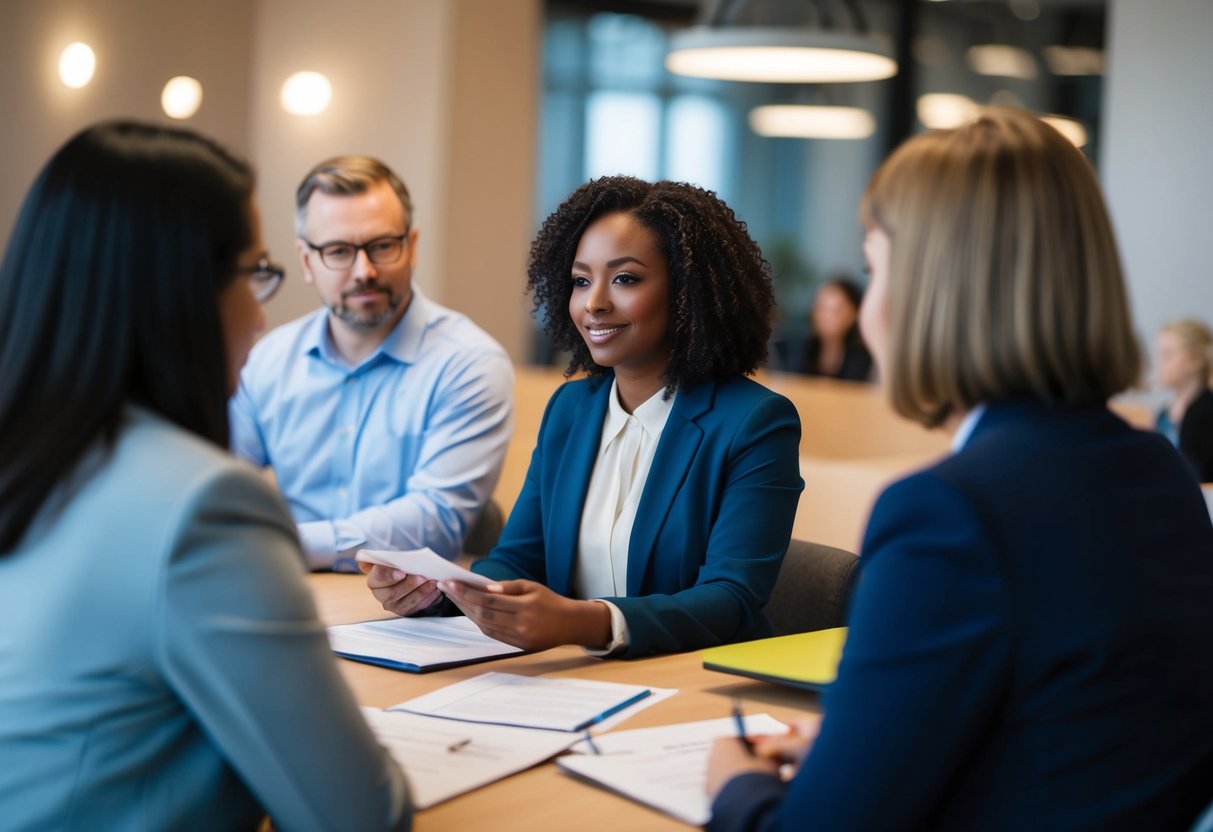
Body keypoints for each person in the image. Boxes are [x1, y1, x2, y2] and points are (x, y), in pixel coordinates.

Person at [706, 108, 1213, 830]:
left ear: (929, 291)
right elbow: (1070, 731)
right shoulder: (1157, 471)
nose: (867, 305)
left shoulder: (950, 511)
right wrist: (868, 748)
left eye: (873, 269)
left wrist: (733, 788)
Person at [0, 122, 411, 831]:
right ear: (180, 290)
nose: (259, 316)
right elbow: (360, 818)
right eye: (253, 274)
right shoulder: (205, 506)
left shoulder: (33, 457)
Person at [365, 176, 804, 658]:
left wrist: (586, 621)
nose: (594, 302)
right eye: (580, 280)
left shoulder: (756, 422)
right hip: (575, 678)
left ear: (687, 292)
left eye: (625, 278)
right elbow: (519, 559)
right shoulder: (570, 410)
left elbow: (731, 599)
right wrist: (440, 594)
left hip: (690, 682)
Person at [229, 155, 514, 571]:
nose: (364, 271)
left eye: (382, 246)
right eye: (339, 251)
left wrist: (284, 543)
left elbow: (436, 520)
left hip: (411, 611)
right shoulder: (266, 362)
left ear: (411, 247)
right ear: (307, 261)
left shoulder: (470, 363)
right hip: (289, 591)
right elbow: (219, 480)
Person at [1155, 318, 1213, 482]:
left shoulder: (1206, 415)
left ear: (1196, 360)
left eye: (1168, 355)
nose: (1160, 364)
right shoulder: (1163, 416)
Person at [798, 277, 872, 381]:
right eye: (821, 308)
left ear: (854, 314)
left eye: (835, 310)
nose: (825, 317)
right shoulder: (800, 352)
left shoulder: (865, 360)